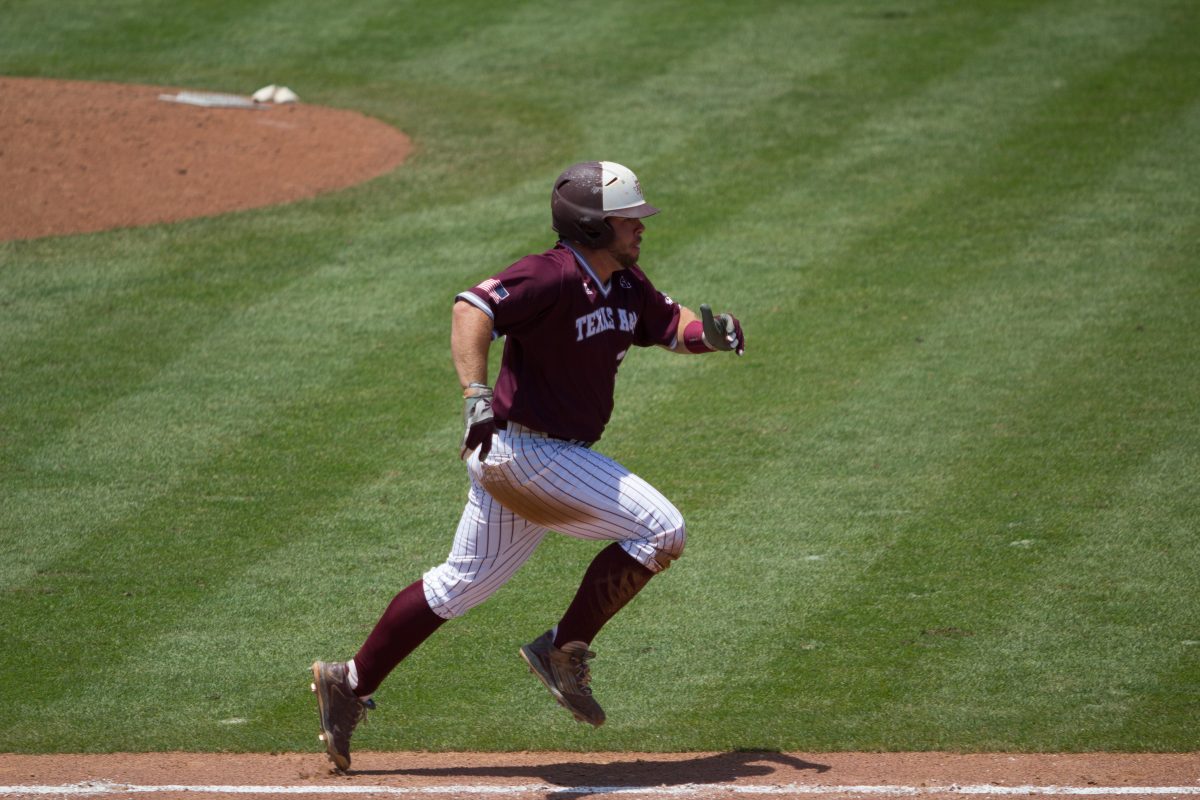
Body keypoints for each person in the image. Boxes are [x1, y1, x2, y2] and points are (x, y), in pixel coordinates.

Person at [310, 161, 745, 771]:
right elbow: (471, 308)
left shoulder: (624, 283)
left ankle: (347, 683)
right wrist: (474, 394)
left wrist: (713, 334)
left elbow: (672, 325)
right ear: (594, 225)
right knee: (662, 528)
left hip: (532, 461)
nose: (641, 228)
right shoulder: (550, 274)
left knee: (458, 584)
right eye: (630, 220)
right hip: (526, 452)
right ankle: (563, 650)